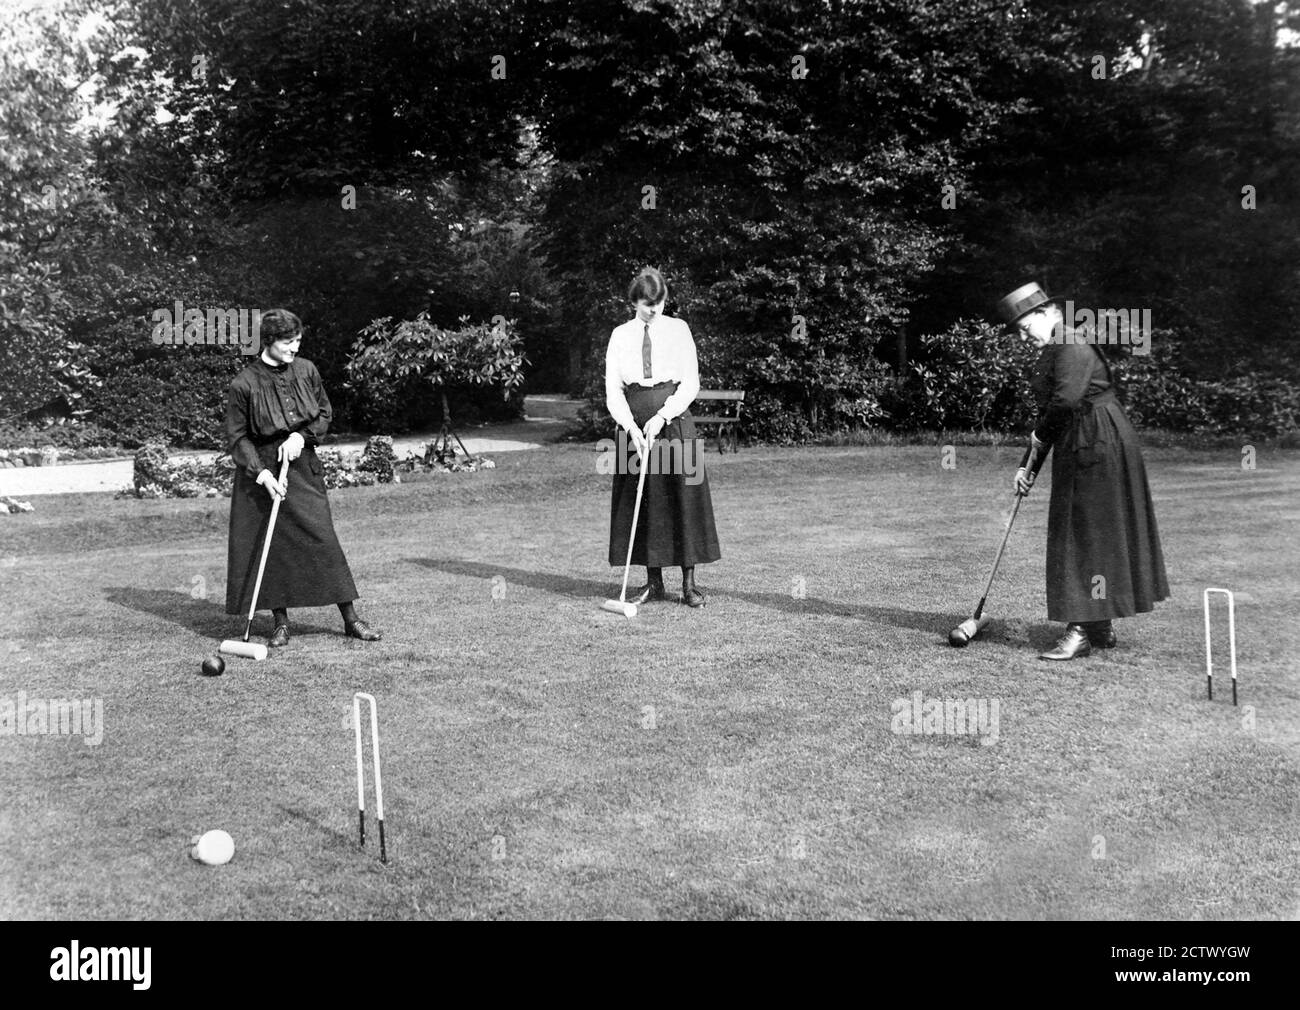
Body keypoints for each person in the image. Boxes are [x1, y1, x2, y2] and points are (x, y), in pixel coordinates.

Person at [996, 282, 1169, 660]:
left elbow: (1065, 403)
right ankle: (1098, 624)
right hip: (1085, 439)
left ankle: (1080, 630)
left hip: (1097, 442)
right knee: (1090, 531)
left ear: (1047, 314)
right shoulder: (1057, 345)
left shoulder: (1070, 343)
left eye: (1027, 328)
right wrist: (1029, 466)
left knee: (1083, 532)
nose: (1025, 338)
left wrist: (1038, 441)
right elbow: (1051, 414)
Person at [224, 309, 381, 647]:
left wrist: (302, 436)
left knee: (323, 538)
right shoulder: (244, 383)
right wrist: (262, 474)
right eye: (287, 342)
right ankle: (280, 624)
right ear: (268, 341)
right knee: (274, 546)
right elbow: (237, 437)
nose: (294, 348)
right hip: (262, 470)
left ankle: (351, 619)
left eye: (297, 341)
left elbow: (325, 413)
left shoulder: (307, 370)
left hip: (302, 465)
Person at [605, 267, 721, 606]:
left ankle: (689, 585)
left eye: (658, 303)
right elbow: (614, 390)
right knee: (644, 503)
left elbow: (691, 382)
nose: (654, 310)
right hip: (634, 428)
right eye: (646, 304)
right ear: (633, 302)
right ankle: (653, 582)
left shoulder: (678, 330)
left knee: (683, 498)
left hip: (674, 423)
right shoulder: (620, 335)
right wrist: (629, 426)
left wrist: (662, 416)